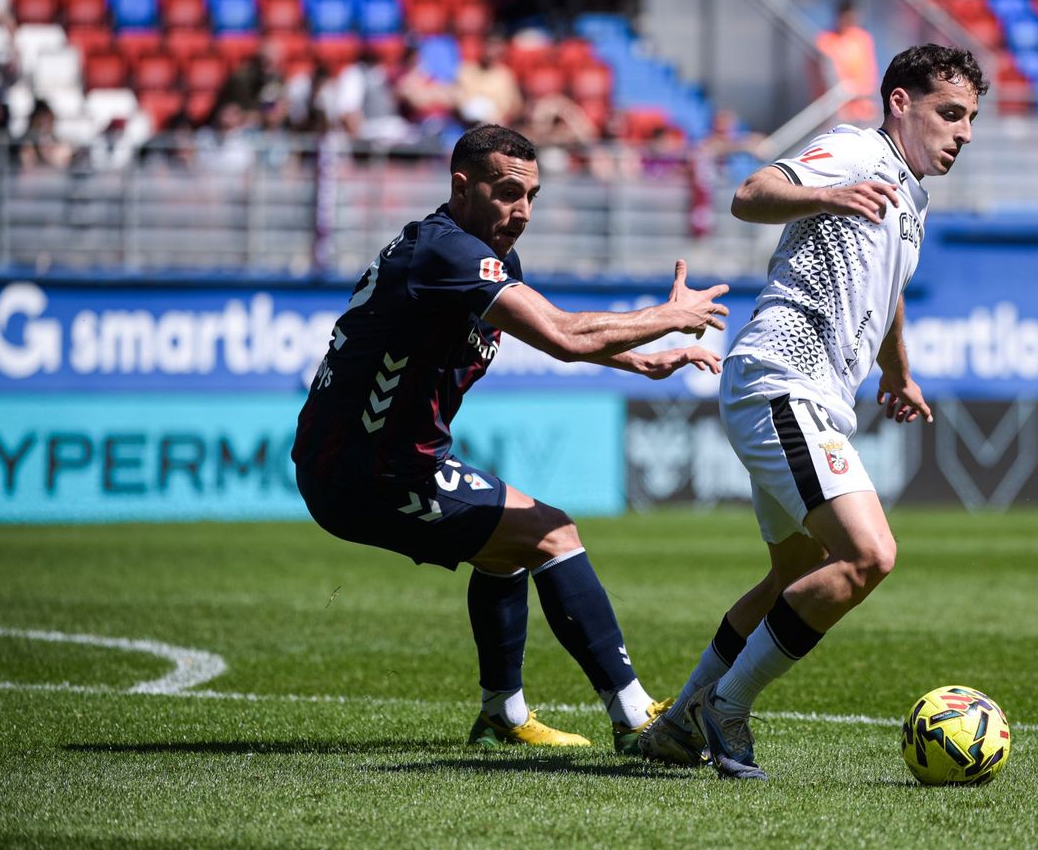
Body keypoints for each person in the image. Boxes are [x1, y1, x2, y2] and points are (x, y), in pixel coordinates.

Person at [292, 123, 730, 753]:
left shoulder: (481, 256)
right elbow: (564, 334)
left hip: (384, 461)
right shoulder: (444, 252)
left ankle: (503, 712)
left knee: (505, 548)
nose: (521, 211)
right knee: (553, 532)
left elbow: (556, 336)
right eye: (506, 193)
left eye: (532, 197)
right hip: (365, 471)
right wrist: (670, 318)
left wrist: (639, 360)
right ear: (461, 187)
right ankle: (638, 721)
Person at [639, 44, 987, 779]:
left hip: (809, 395)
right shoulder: (858, 150)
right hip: (781, 378)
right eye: (949, 113)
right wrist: (827, 194)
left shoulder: (910, 199)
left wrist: (899, 372)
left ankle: (677, 724)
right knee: (868, 556)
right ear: (900, 102)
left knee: (789, 577)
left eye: (970, 120)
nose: (961, 132)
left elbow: (885, 289)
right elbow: (752, 192)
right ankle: (726, 710)